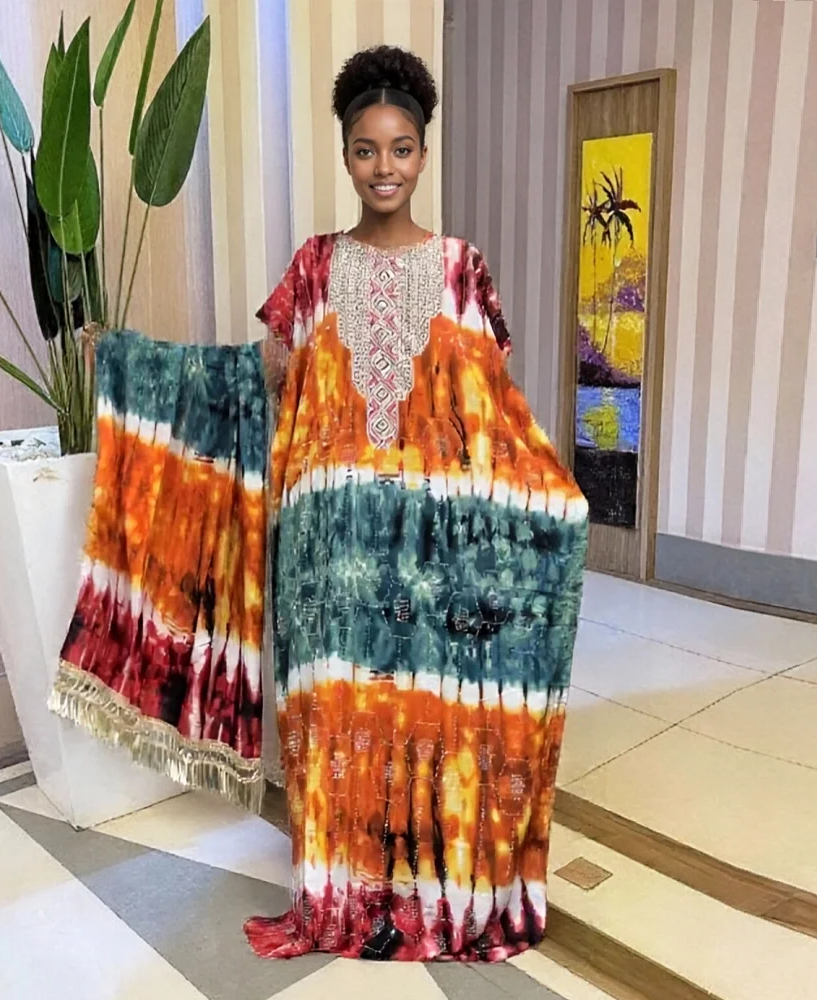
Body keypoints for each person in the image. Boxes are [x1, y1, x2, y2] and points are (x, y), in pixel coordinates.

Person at [242, 45, 588, 962]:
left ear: (424, 154)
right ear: (346, 155)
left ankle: (436, 887)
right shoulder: (314, 267)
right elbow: (269, 378)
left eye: (400, 148)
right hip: (333, 560)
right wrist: (129, 366)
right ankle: (343, 889)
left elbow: (491, 410)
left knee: (434, 718)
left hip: (434, 556)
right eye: (366, 149)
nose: (383, 167)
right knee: (342, 719)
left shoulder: (462, 268)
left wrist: (549, 500)